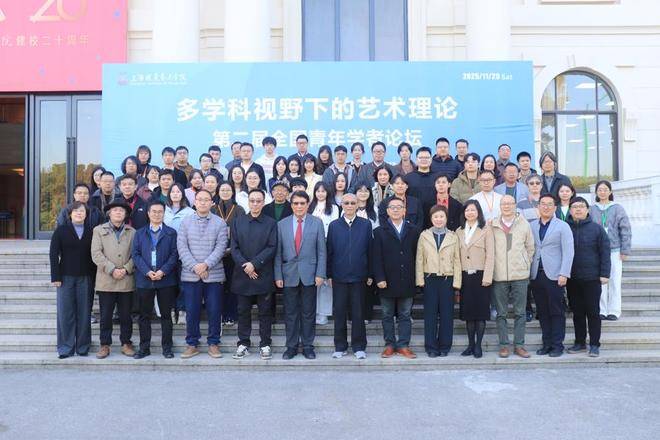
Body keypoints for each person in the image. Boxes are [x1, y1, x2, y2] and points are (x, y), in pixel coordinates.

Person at [274, 191, 327, 360]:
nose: (299, 206)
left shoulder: (316, 223)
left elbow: (322, 251)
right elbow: (278, 253)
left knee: (308, 313)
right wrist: (278, 275)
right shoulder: (281, 224)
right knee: (290, 313)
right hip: (288, 274)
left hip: (310, 274)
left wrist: (320, 273)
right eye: (295, 203)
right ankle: (291, 346)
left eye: (302, 203)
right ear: (291, 205)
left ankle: (308, 346)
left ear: (308, 204)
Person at [177, 190, 229, 359]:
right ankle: (192, 343)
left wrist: (206, 265)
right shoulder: (186, 222)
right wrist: (195, 267)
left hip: (213, 274)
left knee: (214, 310)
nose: (203, 202)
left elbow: (221, 247)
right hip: (190, 274)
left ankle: (213, 343)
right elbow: (181, 247)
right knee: (192, 311)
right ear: (195, 202)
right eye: (200, 199)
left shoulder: (220, 223)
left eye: (207, 200)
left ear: (212, 203)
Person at [230, 189, 278, 360]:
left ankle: (265, 343)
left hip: (262, 274)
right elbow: (234, 248)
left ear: (263, 202)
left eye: (259, 201)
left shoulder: (271, 223)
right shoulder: (237, 222)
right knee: (243, 311)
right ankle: (243, 343)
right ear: (248, 202)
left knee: (265, 312)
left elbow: (272, 247)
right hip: (242, 274)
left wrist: (254, 264)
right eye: (252, 201)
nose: (255, 204)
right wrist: (246, 266)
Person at [372, 196, 421, 359]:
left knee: (405, 314)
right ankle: (389, 345)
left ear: (404, 210)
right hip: (387, 280)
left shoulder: (413, 230)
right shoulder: (379, 232)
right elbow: (376, 257)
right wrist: (379, 277)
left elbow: (417, 256)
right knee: (387, 314)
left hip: (407, 279)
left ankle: (403, 345)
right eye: (392, 207)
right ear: (387, 211)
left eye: (399, 207)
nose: (395, 210)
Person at [131, 200, 178, 359]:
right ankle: (144, 348)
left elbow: (174, 254)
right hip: (145, 279)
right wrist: (147, 271)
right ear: (148, 213)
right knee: (144, 316)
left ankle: (167, 348)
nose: (157, 214)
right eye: (154, 211)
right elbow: (135, 254)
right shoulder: (139, 233)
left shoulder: (171, 233)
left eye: (160, 212)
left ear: (164, 213)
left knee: (166, 316)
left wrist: (163, 271)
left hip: (166, 279)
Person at [327, 193, 372, 359]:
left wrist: (370, 273)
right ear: (342, 205)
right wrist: (329, 274)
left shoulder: (366, 225)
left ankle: (359, 346)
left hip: (359, 276)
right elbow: (329, 251)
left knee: (358, 313)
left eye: (353, 203)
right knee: (339, 313)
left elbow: (370, 250)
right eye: (346, 203)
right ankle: (340, 346)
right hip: (339, 276)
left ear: (357, 205)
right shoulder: (334, 225)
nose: (350, 206)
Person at [530, 193, 575, 357]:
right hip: (536, 275)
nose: (546, 207)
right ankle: (546, 344)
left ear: (555, 207)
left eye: (550, 204)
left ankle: (557, 345)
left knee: (556, 311)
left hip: (555, 275)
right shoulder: (532, 225)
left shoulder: (563, 226)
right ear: (538, 207)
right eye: (543, 204)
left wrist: (564, 273)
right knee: (542, 312)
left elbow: (568, 252)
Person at [491, 195, 535, 358]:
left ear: (515, 205)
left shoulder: (524, 224)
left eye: (510, 203)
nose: (507, 206)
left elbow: (530, 247)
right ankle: (504, 345)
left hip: (519, 275)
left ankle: (519, 345)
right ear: (500, 206)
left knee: (520, 313)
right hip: (499, 275)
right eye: (504, 203)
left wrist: (525, 263)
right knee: (501, 313)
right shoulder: (493, 225)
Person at [566, 197, 611, 358]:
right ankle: (580, 342)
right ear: (570, 210)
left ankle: (594, 344)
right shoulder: (565, 228)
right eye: (575, 206)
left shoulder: (597, 229)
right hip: (572, 278)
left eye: (581, 206)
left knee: (593, 312)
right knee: (577, 312)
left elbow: (605, 252)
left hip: (592, 278)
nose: (578, 209)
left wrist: (605, 274)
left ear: (587, 209)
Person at [91, 201, 136, 359]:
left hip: (126, 279)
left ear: (125, 214)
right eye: (115, 210)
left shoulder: (132, 232)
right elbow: (96, 253)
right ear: (109, 213)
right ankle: (105, 345)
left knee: (126, 315)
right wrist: (112, 269)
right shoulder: (98, 230)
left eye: (121, 211)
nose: (118, 213)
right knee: (105, 316)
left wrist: (126, 269)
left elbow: (136, 254)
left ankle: (126, 343)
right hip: (106, 280)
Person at [415, 205, 461, 357]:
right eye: (436, 217)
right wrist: (420, 279)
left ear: (446, 218)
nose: (439, 219)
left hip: (447, 279)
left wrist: (457, 282)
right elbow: (419, 259)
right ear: (431, 218)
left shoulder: (453, 236)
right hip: (430, 279)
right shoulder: (424, 236)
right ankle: (431, 347)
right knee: (430, 315)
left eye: (441, 216)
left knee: (447, 315)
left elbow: (457, 260)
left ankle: (445, 346)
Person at [50, 202, 95, 359]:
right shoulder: (61, 230)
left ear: (86, 214)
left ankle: (83, 347)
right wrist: (55, 277)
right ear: (70, 214)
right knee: (65, 313)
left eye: (82, 211)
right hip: (65, 277)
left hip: (86, 277)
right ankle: (65, 348)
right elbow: (53, 254)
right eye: (75, 211)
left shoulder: (92, 231)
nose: (79, 213)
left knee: (84, 313)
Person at [456, 200, 494, 358]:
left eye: (473, 210)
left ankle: (478, 346)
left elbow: (491, 255)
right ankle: (470, 345)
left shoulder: (486, 230)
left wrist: (488, 276)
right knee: (468, 314)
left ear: (478, 212)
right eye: (467, 210)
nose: (470, 213)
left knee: (480, 314)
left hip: (481, 276)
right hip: (465, 276)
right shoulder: (459, 231)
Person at [590, 180, 632, 321]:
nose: (602, 192)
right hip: (597, 251)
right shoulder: (592, 209)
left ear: (610, 192)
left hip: (615, 250)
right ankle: (601, 310)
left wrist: (625, 250)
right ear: (596, 192)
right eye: (600, 190)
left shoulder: (617, 208)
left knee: (614, 281)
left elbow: (625, 229)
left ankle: (614, 310)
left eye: (605, 189)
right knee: (600, 282)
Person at [213, 182, 245, 328]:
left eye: (228, 190)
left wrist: (232, 248)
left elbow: (242, 232)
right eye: (222, 189)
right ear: (218, 192)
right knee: (218, 286)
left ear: (233, 192)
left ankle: (231, 314)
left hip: (234, 254)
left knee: (232, 285)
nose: (225, 192)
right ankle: (219, 313)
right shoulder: (213, 208)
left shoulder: (239, 209)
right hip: (215, 254)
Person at [308, 181, 340, 325]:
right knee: (313, 280)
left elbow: (334, 229)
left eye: (323, 191)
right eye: (318, 191)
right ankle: (312, 311)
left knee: (325, 281)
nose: (320, 194)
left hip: (327, 244)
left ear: (328, 192)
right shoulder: (310, 206)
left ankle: (323, 313)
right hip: (310, 245)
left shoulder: (334, 208)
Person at [164, 183, 195, 324]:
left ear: (183, 194)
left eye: (178, 191)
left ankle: (182, 310)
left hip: (184, 252)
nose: (175, 194)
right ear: (169, 194)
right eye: (173, 191)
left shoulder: (190, 212)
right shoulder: (163, 210)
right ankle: (171, 309)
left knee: (183, 283)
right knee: (169, 283)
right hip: (166, 252)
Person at [405, 147, 439, 216]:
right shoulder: (408, 178)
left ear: (431, 159)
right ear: (416, 159)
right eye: (421, 158)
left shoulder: (438, 177)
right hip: (414, 215)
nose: (424, 160)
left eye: (427, 157)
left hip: (434, 215)